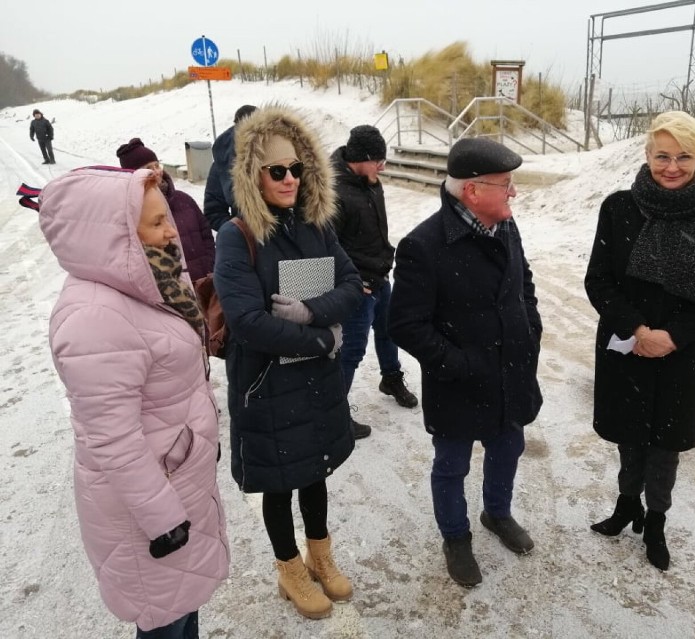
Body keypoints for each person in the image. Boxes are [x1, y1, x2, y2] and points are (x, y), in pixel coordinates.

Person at [39, 166, 230, 637]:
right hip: (150, 514)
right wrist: (165, 521)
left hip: (177, 483)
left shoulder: (150, 285)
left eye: (167, 216)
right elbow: (112, 439)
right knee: (164, 617)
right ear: (115, 234)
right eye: (156, 222)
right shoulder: (93, 319)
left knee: (185, 606)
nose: (172, 231)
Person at [213, 104, 363, 619]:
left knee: (314, 470)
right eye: (277, 170)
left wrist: (310, 311)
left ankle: (321, 555)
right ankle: (290, 567)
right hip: (268, 382)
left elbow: (351, 284)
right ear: (255, 175)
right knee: (279, 480)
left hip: (315, 382)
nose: (289, 179)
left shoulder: (317, 227)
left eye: (297, 169)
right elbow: (248, 321)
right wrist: (322, 340)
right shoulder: (238, 237)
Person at [584, 110, 695, 571]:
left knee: (665, 441)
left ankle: (656, 521)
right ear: (647, 154)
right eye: (663, 155)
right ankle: (626, 502)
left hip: (680, 350)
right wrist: (637, 330)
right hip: (626, 342)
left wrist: (672, 336)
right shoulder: (618, 207)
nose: (673, 166)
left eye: (684, 156)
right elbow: (599, 280)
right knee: (628, 433)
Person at [388, 137, 543, 588]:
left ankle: (497, 513)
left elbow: (524, 283)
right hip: (458, 381)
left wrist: (530, 328)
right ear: (473, 191)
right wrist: (459, 364)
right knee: (452, 465)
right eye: (505, 184)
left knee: (507, 448)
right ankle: (456, 538)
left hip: (510, 371)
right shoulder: (423, 244)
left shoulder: (506, 226)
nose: (512, 192)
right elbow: (406, 325)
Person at [331, 124, 418, 440]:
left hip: (380, 277)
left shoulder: (371, 182)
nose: (383, 166)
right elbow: (329, 245)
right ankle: (335, 413)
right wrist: (350, 281)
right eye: (378, 160)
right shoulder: (334, 191)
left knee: (389, 331)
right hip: (358, 286)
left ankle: (391, 378)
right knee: (352, 350)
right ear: (360, 158)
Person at [117, 138, 216, 282]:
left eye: (157, 165)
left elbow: (206, 234)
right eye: (148, 168)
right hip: (173, 289)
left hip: (206, 281)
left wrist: (210, 265)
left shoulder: (184, 200)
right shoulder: (133, 213)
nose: (156, 171)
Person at [204, 104, 257, 230]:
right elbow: (213, 211)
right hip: (248, 245)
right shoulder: (223, 162)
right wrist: (239, 231)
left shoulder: (279, 154)